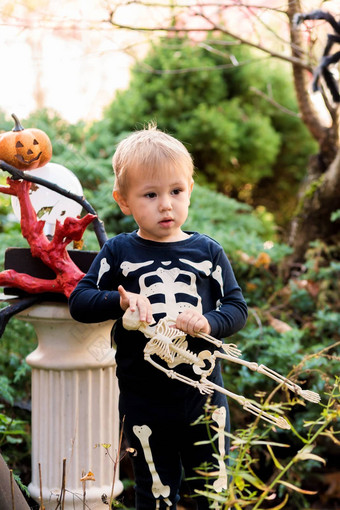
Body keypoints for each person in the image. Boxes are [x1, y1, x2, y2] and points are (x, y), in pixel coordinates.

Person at [69, 124, 248, 509]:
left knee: (213, 491)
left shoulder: (207, 252)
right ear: (123, 200)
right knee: (154, 494)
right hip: (144, 399)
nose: (166, 204)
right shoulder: (118, 252)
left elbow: (236, 307)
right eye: (150, 194)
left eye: (176, 191)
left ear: (190, 191)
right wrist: (119, 302)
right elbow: (80, 301)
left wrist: (208, 322)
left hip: (203, 396)